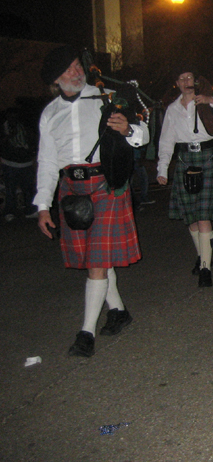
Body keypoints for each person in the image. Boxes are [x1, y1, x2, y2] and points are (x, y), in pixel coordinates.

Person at [34, 45, 148, 357]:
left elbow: (143, 134)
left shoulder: (107, 97)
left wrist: (129, 128)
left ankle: (86, 333)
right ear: (56, 80)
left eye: (77, 66)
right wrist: (42, 206)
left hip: (107, 184)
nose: (77, 72)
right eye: (69, 69)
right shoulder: (50, 114)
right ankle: (119, 312)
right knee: (94, 259)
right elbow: (47, 163)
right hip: (71, 190)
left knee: (97, 261)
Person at [157, 69, 213, 288]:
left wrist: (211, 100)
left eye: (189, 78)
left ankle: (205, 268)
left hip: (208, 156)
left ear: (196, 81)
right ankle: (203, 255)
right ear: (177, 83)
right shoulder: (172, 109)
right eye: (181, 78)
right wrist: (162, 169)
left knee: (203, 216)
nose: (185, 81)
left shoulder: (207, 101)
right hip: (184, 159)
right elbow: (166, 141)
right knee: (191, 218)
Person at [1, 108, 38, 221]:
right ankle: (9, 211)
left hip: (25, 162)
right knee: (10, 190)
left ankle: (30, 210)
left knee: (28, 188)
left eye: (15, 117)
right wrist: (10, 136)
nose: (13, 119)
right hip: (10, 163)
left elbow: (33, 140)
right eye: (11, 117)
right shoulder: (3, 128)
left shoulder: (24, 127)